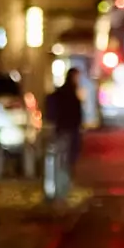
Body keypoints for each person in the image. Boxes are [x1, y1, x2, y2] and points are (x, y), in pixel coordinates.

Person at [42, 66, 86, 199]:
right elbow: (74, 111)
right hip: (68, 128)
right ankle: (62, 186)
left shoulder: (65, 91)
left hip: (64, 127)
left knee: (64, 157)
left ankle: (63, 186)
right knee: (66, 157)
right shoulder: (70, 92)